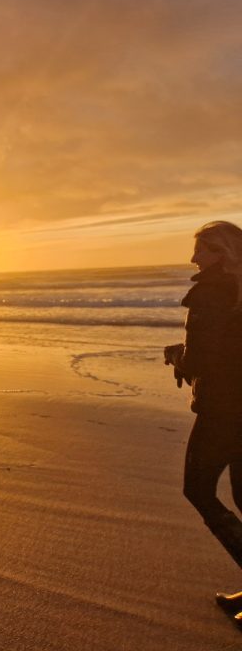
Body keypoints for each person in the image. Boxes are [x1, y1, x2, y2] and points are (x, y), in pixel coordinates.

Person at [164, 221, 242, 622]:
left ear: (220, 252)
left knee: (198, 490)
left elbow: (201, 360)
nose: (194, 258)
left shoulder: (208, 295)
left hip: (222, 413)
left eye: (201, 250)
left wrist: (178, 356)